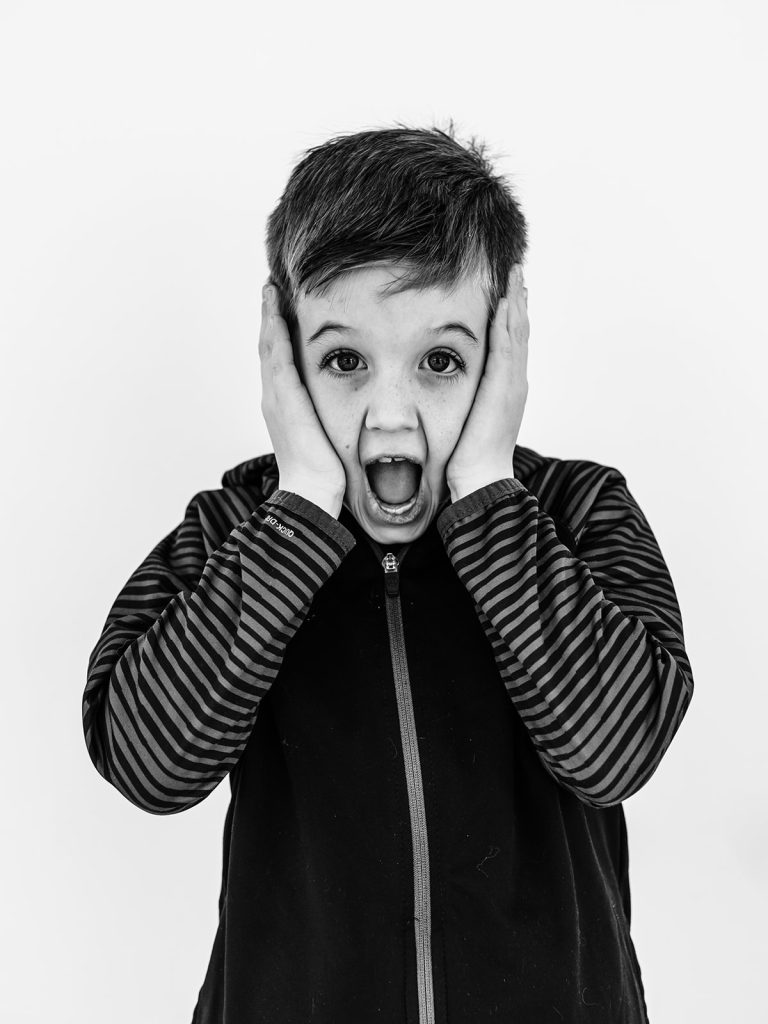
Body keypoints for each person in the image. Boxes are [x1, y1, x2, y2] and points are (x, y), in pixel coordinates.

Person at [82, 124, 694, 1023]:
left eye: (441, 361)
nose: (392, 420)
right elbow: (146, 764)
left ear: (503, 357)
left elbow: (616, 751)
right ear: (285, 359)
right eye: (343, 361)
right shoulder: (235, 533)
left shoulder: (579, 514)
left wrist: (488, 487)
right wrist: (298, 510)